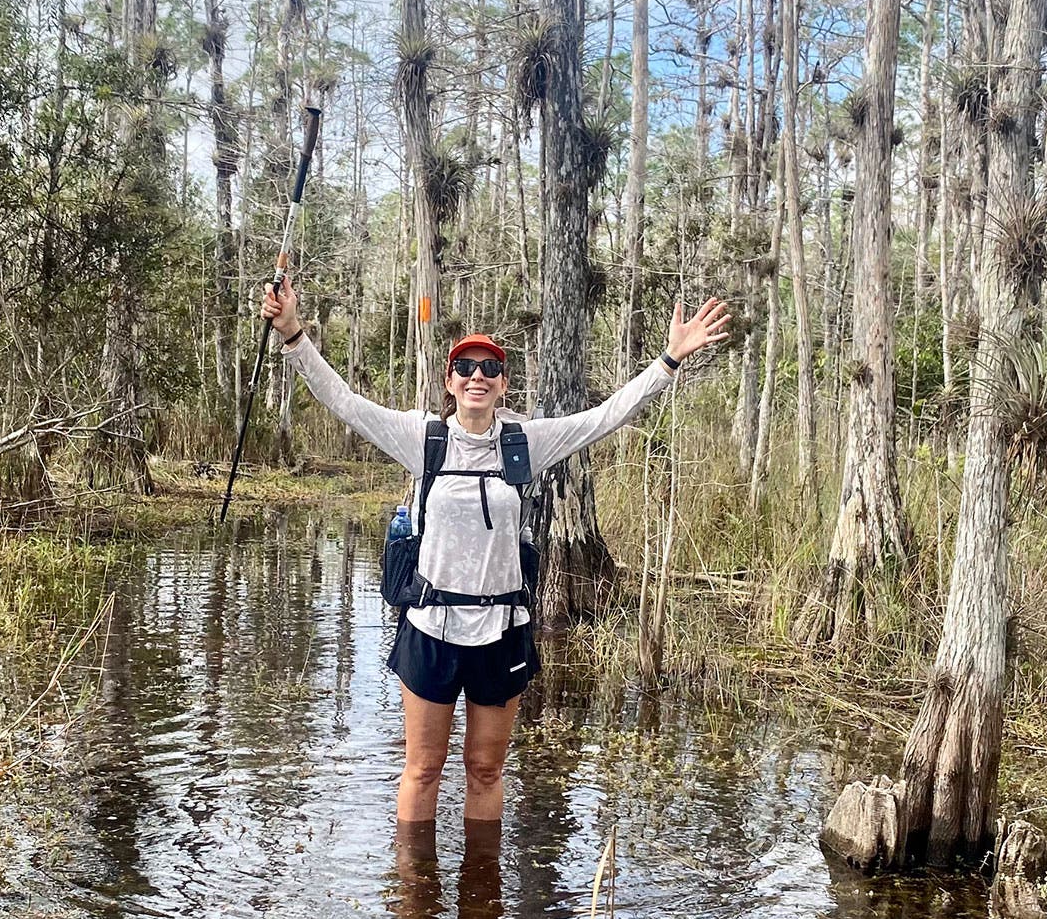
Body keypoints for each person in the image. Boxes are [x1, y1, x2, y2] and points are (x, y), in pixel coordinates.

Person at [261, 280, 730, 823]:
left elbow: (608, 416)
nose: (476, 376)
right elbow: (342, 400)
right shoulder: (422, 438)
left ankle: (482, 901)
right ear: (450, 381)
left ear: (504, 383)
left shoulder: (526, 442)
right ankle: (415, 900)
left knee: (485, 769)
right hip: (431, 628)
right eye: (466, 367)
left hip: (502, 629)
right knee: (423, 768)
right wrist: (293, 333)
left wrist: (669, 359)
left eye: (489, 367)